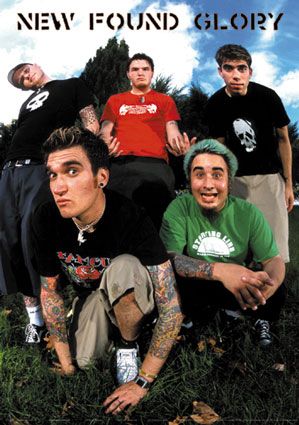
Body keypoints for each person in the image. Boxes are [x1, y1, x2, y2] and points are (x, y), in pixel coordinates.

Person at [31, 126, 183, 415]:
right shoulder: (45, 217)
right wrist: (67, 365)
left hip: (129, 288)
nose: (58, 187)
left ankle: (128, 343)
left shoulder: (130, 216)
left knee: (123, 267)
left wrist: (143, 381)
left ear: (102, 177)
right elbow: (49, 291)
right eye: (53, 174)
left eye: (72, 171)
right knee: (87, 360)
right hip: (91, 296)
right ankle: (107, 330)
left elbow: (172, 309)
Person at [0, 63, 99, 344]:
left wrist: (84, 158)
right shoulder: (27, 104)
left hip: (42, 168)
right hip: (9, 170)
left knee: (33, 236)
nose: (25, 78)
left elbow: (89, 121)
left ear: (34, 66)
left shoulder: (71, 85)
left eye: (25, 72)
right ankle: (36, 320)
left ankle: (60, 306)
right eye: (21, 81)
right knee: (9, 242)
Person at [160, 139, 286, 347]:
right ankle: (187, 319)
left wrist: (265, 289)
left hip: (239, 283)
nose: (208, 184)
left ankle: (251, 316)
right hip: (197, 281)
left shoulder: (248, 212)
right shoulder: (179, 207)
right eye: (199, 174)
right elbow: (170, 259)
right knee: (168, 280)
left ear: (229, 180)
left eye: (217, 175)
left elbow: (272, 258)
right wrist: (220, 271)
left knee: (277, 289)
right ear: (190, 180)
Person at [204, 44, 294, 263]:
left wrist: (288, 184)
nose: (236, 75)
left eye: (241, 68)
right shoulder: (215, 104)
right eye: (229, 68)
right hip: (236, 180)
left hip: (269, 178)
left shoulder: (268, 97)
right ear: (220, 72)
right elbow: (220, 150)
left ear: (249, 72)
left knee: (274, 252)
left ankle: (274, 295)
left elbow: (284, 139)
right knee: (237, 250)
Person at [100, 53, 192, 228]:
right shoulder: (115, 100)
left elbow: (172, 128)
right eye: (135, 69)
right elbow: (105, 130)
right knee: (116, 221)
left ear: (152, 73)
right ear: (128, 74)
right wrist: (104, 145)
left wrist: (180, 146)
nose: (140, 73)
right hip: (120, 165)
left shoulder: (165, 100)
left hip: (156, 167)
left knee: (158, 223)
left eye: (145, 69)